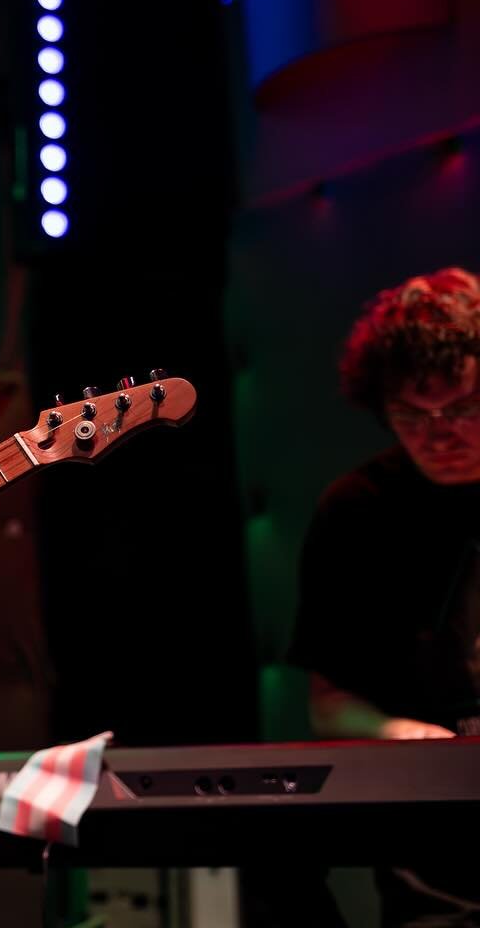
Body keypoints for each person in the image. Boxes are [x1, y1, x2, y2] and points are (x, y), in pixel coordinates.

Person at [288, 265, 480, 926]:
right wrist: (402, 733)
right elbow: (332, 707)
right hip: (438, 850)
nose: (438, 433)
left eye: (461, 408)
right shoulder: (358, 512)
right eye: (410, 415)